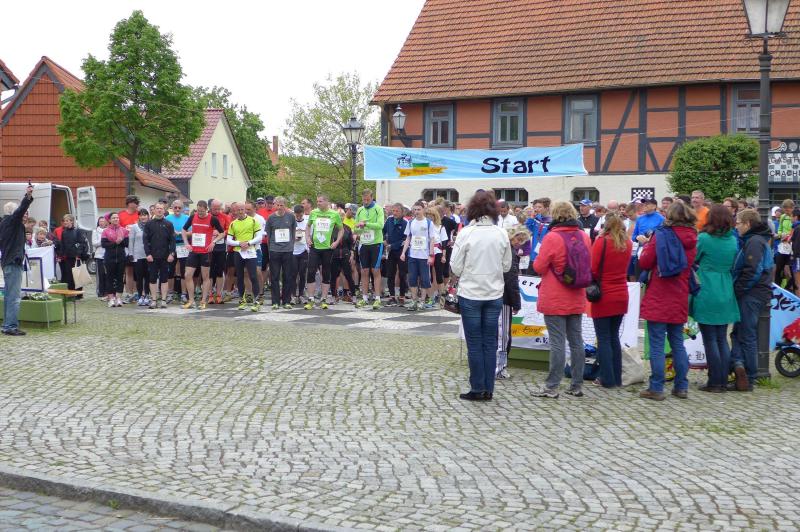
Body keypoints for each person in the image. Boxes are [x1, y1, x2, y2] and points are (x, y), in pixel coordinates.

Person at [450, 190, 512, 401]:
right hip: (494, 293)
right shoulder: (501, 233)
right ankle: (489, 388)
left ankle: (477, 387)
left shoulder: (466, 233)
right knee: (490, 342)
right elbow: (507, 265)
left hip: (471, 293)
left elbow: (455, 267)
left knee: (475, 342)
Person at [531, 201, 592, 399]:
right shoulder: (584, 236)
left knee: (557, 343)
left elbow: (539, 267)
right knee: (576, 341)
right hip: (576, 294)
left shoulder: (552, 237)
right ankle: (576, 384)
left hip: (555, 295)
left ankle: (552, 386)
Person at [638, 202, 698, 401]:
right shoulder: (693, 237)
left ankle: (656, 387)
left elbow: (645, 261)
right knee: (677, 342)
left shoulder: (661, 234)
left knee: (657, 344)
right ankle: (681, 386)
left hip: (660, 291)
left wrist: (647, 245)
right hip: (680, 293)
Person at [692, 204, 740, 393]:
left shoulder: (704, 238)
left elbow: (693, 258)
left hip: (707, 287)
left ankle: (715, 381)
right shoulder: (732, 240)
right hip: (725, 287)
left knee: (710, 339)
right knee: (721, 338)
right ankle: (723, 380)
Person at [731, 209, 775, 392]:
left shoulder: (755, 241)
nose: (736, 226)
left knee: (747, 334)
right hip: (755, 293)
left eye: (738, 223)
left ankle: (748, 376)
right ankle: (738, 366)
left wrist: (739, 290)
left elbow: (753, 270)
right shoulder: (757, 240)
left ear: (748, 224)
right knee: (738, 332)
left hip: (752, 294)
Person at [587, 212, 632, 388]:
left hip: (604, 294)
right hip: (621, 292)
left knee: (604, 338)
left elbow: (593, 268)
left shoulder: (602, 242)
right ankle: (616, 377)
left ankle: (607, 378)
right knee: (614, 337)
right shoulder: (627, 243)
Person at [0, 185, 34, 335]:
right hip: (13, 262)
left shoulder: (4, 223)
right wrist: (28, 196)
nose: (23, 215)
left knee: (9, 296)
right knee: (14, 296)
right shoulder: (12, 222)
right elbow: (21, 209)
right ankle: (10, 326)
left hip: (7, 261)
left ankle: (7, 325)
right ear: (13, 213)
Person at [496, 226, 528, 379]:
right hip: (504, 298)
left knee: (495, 333)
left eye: (522, 241)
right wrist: (516, 303)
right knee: (503, 335)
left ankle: (495, 366)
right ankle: (499, 368)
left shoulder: (499, 249)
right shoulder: (510, 253)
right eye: (518, 239)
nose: (519, 243)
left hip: (491, 294)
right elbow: (511, 280)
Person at [181, 200, 223, 310]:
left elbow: (222, 233)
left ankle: (203, 301)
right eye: (198, 211)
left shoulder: (212, 219)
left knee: (205, 277)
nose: (200, 213)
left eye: (202, 211)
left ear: (206, 210)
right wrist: (186, 243)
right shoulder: (192, 217)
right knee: (187, 275)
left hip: (205, 252)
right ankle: (191, 300)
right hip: (194, 251)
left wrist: (213, 242)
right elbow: (183, 230)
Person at [304, 195, 344, 310]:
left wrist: (336, 242)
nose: (318, 203)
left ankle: (324, 299)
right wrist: (307, 238)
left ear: (327, 202)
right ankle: (311, 299)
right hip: (315, 247)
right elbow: (308, 226)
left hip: (327, 248)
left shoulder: (334, 214)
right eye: (317, 201)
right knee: (311, 272)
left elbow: (341, 229)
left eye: (320, 201)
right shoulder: (314, 213)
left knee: (326, 273)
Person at [401, 202, 438, 311]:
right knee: (412, 279)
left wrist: (431, 255)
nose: (416, 212)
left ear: (423, 210)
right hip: (412, 255)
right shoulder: (411, 222)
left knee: (425, 280)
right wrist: (403, 252)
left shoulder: (428, 223)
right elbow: (408, 238)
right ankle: (414, 301)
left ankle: (422, 301)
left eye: (418, 209)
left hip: (424, 256)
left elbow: (432, 239)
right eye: (415, 209)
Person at [226, 202, 263, 312]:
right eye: (238, 210)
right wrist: (239, 243)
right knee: (240, 276)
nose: (241, 212)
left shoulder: (253, 221)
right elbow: (228, 240)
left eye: (242, 209)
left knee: (253, 276)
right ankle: (242, 300)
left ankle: (256, 301)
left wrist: (248, 243)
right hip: (238, 252)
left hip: (251, 251)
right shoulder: (233, 223)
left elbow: (259, 237)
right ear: (235, 211)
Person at [354, 189, 386, 309]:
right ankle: (364, 298)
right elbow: (356, 229)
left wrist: (366, 224)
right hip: (364, 243)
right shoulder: (360, 210)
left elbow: (380, 225)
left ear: (372, 198)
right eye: (364, 200)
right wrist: (359, 228)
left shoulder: (378, 209)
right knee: (364, 271)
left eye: (368, 199)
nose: (366, 202)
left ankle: (377, 298)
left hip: (376, 243)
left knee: (375, 270)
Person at [264, 196, 296, 310]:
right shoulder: (271, 218)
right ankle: (275, 301)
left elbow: (293, 232)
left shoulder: (291, 217)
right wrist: (270, 249)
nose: (279, 207)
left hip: (287, 250)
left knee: (287, 276)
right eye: (277, 205)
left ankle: (286, 301)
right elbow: (268, 235)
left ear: (285, 205)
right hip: (274, 250)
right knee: (274, 276)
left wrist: (291, 245)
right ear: (274, 205)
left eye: (281, 205)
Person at [143, 202, 176, 309]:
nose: (159, 210)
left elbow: (172, 241)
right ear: (154, 210)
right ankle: (153, 300)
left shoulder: (169, 224)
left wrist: (171, 253)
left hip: (165, 256)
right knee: (152, 278)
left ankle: (163, 300)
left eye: (161, 208)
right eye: (157, 208)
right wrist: (148, 254)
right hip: (152, 257)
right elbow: (145, 240)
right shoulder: (149, 224)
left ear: (164, 210)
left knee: (164, 279)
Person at [54, 214, 90, 292]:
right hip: (68, 257)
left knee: (78, 275)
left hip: (76, 257)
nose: (65, 222)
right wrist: (60, 255)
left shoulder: (77, 231)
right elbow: (63, 245)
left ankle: (79, 293)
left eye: (67, 221)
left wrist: (78, 254)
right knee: (69, 275)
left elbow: (82, 243)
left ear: (72, 221)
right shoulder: (64, 232)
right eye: (64, 221)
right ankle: (71, 292)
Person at [101, 213, 129, 308]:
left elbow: (127, 244)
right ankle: (111, 298)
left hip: (121, 257)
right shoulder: (106, 231)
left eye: (117, 217)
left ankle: (118, 298)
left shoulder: (124, 230)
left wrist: (121, 241)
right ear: (109, 220)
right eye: (113, 218)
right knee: (110, 278)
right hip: (109, 258)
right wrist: (115, 242)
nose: (116, 219)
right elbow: (104, 244)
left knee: (120, 278)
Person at [383, 203, 409, 307]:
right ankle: (392, 296)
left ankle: (402, 296)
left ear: (402, 212)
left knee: (402, 274)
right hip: (390, 251)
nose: (395, 213)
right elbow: (383, 231)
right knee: (390, 274)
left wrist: (392, 245)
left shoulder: (405, 222)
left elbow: (405, 239)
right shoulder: (389, 220)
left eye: (397, 211)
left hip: (401, 251)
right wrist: (384, 240)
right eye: (393, 211)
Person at [165, 200, 190, 304]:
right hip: (171, 245)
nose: (177, 209)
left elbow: (191, 232)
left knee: (184, 271)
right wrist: (172, 233)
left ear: (182, 208)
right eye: (175, 207)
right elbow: (164, 232)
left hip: (183, 245)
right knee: (170, 270)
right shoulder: (167, 218)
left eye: (179, 208)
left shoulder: (187, 218)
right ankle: (170, 293)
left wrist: (181, 233)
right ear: (172, 208)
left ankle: (183, 294)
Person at [119, 195, 141, 302]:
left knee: (138, 271)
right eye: (134, 202)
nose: (136, 205)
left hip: (138, 245)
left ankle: (137, 293)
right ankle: (129, 293)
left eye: (137, 203)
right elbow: (118, 229)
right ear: (129, 203)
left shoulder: (139, 214)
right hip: (126, 245)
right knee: (128, 271)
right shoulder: (121, 214)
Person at [209, 200, 230, 304]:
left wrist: (221, 232)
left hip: (221, 247)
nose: (217, 211)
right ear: (210, 208)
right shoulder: (207, 216)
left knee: (219, 271)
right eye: (214, 209)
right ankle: (210, 295)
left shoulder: (225, 217)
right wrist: (212, 232)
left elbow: (229, 230)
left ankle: (218, 294)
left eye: (218, 209)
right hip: (209, 246)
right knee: (210, 272)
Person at [775, 198, 795, 289]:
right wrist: (780, 234)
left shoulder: (795, 217)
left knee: (791, 269)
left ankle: (789, 288)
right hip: (783, 245)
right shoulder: (783, 217)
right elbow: (779, 228)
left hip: (792, 246)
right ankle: (777, 287)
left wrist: (789, 236)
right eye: (785, 208)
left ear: (792, 208)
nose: (786, 211)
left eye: (788, 209)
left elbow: (795, 229)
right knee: (779, 268)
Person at [292, 204, 309, 305]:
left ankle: (301, 294)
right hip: (293, 251)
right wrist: (293, 238)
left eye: (300, 215)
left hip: (303, 250)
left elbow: (309, 235)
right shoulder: (291, 222)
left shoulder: (307, 222)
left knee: (302, 273)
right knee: (293, 274)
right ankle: (293, 295)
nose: (298, 217)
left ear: (303, 213)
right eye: (297, 215)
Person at [92, 216, 108, 300]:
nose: (102, 223)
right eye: (100, 221)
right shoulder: (95, 231)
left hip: (108, 255)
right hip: (99, 255)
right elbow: (94, 243)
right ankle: (100, 291)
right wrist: (103, 241)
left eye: (103, 221)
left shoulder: (108, 230)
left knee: (107, 274)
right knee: (100, 275)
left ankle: (107, 291)